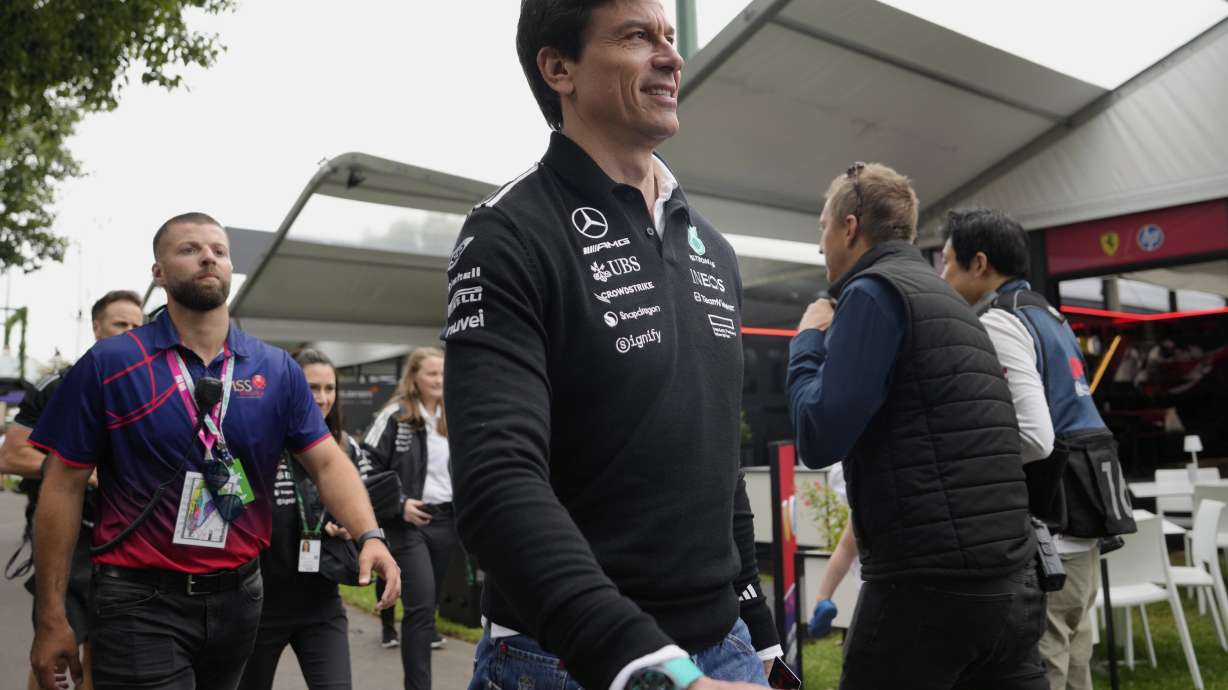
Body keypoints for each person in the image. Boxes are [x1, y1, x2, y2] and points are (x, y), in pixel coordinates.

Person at [443, 2, 780, 689]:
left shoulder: (712, 246)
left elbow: (718, 465)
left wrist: (764, 644)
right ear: (558, 67)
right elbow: (495, 484)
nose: (670, 56)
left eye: (668, 37)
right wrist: (646, 667)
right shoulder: (506, 233)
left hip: (728, 648)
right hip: (568, 661)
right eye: (636, 36)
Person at [27, 212, 400, 690]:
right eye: (189, 248)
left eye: (219, 250)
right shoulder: (111, 363)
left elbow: (327, 460)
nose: (208, 256)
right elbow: (63, 484)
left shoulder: (276, 369)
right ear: (158, 272)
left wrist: (370, 534)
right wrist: (51, 617)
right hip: (140, 602)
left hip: (241, 598)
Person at [787, 163, 1045, 689]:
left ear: (850, 227)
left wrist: (808, 343)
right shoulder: (955, 303)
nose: (820, 246)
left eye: (822, 228)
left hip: (927, 591)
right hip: (1010, 584)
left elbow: (818, 436)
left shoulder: (872, 291)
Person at [940, 208, 1135, 690]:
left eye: (946, 262)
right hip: (1085, 523)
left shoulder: (1002, 321)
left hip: (1053, 533)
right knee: (1074, 662)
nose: (941, 276)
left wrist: (969, 465)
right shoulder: (1048, 314)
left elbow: (1034, 436)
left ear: (978, 263)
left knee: (1044, 667)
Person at [0, 290, 145, 690]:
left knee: (105, 660)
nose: (129, 334)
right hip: (70, 542)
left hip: (129, 545)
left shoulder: (153, 390)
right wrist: (77, 471)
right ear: (96, 327)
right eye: (120, 325)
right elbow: (11, 456)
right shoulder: (59, 385)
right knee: (56, 660)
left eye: (137, 327)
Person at [238, 348, 374, 690]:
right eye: (312, 387)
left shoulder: (345, 448)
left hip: (321, 603)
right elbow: (232, 512)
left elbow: (364, 507)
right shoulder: (253, 443)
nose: (322, 398)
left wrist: (348, 527)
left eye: (330, 389)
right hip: (258, 605)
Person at [363, 347, 458, 690]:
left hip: (446, 521)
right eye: (432, 373)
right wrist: (399, 504)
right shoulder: (395, 414)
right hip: (407, 524)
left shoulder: (454, 414)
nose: (439, 380)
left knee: (427, 607)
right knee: (419, 610)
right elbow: (365, 465)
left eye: (444, 373)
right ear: (414, 377)